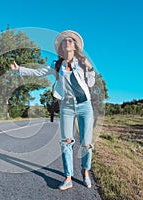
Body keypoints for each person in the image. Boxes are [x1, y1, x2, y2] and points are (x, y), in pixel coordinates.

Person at [10, 30, 95, 190]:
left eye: (70, 40)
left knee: (86, 143)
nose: (67, 42)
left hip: (85, 106)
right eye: (65, 41)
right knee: (66, 142)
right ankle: (68, 177)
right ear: (62, 47)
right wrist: (19, 69)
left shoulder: (82, 62)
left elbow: (90, 84)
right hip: (67, 107)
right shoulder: (56, 65)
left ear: (74, 46)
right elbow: (37, 72)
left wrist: (90, 70)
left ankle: (85, 172)